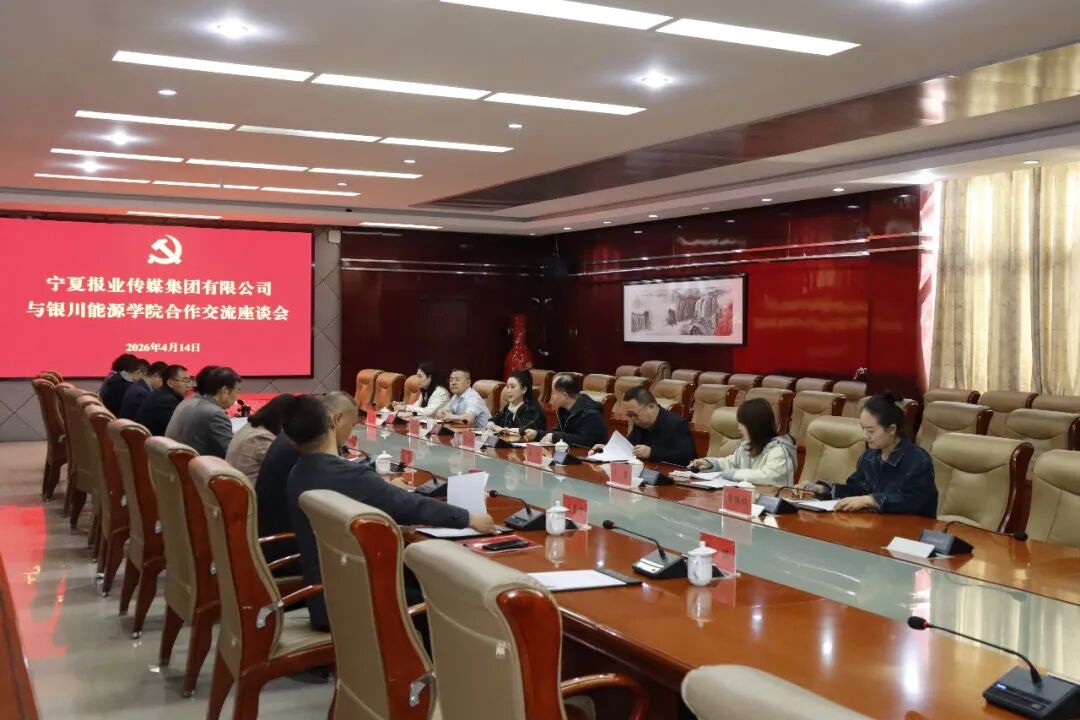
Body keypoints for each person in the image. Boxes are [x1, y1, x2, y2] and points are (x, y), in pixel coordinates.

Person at [283, 394, 497, 631]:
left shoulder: (298, 471)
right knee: (451, 596)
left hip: (324, 597)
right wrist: (469, 518)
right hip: (357, 602)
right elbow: (410, 506)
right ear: (333, 422)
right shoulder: (348, 476)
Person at [256, 392, 361, 568]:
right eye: (352, 425)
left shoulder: (295, 437)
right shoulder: (309, 451)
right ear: (337, 420)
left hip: (274, 541)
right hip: (290, 553)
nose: (351, 434)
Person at [796, 393, 937, 516]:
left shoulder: (917, 460)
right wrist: (822, 489)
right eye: (862, 428)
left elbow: (915, 502)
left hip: (908, 531)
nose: (864, 436)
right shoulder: (869, 457)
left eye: (871, 430)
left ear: (891, 429)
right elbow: (854, 490)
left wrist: (872, 500)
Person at [689, 398, 796, 487]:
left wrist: (735, 474)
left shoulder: (779, 450)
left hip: (773, 503)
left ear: (755, 426)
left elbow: (769, 477)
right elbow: (731, 463)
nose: (739, 428)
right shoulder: (747, 445)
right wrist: (711, 464)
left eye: (742, 424)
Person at [592, 386, 695, 466]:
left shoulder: (677, 424)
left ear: (651, 407)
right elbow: (629, 448)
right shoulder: (639, 423)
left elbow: (686, 458)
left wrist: (651, 453)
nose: (632, 419)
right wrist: (608, 449)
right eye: (629, 415)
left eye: (634, 414)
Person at [165, 366, 241, 458]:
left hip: (175, 461)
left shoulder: (190, 401)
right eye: (237, 391)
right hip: (193, 465)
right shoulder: (215, 414)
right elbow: (233, 455)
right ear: (224, 391)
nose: (237, 397)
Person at [226, 394, 293, 484]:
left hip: (237, 486)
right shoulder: (262, 438)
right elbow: (284, 469)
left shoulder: (250, 427)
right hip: (248, 490)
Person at [540, 373, 607, 448]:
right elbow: (557, 433)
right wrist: (536, 434)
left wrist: (555, 436)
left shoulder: (590, 414)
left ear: (565, 396)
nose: (551, 397)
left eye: (553, 393)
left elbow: (584, 441)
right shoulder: (564, 410)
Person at [488, 369, 546, 441]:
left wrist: (503, 430)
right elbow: (490, 423)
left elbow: (523, 431)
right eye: (507, 387)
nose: (508, 391)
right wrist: (499, 429)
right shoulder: (508, 407)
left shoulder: (532, 409)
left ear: (524, 389)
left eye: (512, 387)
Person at [135, 365, 190, 435]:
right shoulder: (167, 400)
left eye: (189, 381)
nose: (188, 386)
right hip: (151, 440)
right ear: (170, 382)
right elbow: (176, 430)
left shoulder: (160, 392)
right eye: (184, 380)